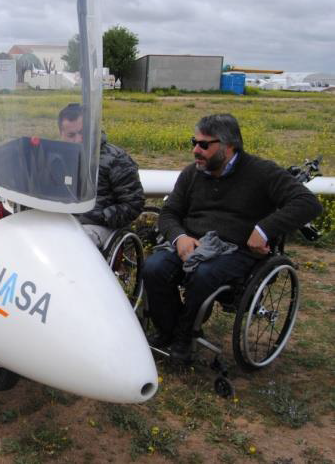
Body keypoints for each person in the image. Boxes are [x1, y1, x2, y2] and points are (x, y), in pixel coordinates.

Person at [142, 113, 322, 361]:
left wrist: (264, 229)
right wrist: (179, 237)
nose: (196, 149)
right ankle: (168, 330)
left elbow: (308, 203)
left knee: (204, 273)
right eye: (194, 142)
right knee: (153, 267)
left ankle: (184, 338)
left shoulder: (262, 172)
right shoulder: (191, 174)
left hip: (236, 248)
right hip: (191, 241)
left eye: (204, 145)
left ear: (228, 147)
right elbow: (170, 213)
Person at [58, 103, 145, 247]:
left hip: (102, 226)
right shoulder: (55, 157)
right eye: (71, 135)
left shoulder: (116, 159)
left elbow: (134, 204)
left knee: (72, 242)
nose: (78, 139)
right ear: (61, 134)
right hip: (64, 223)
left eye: (82, 133)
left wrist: (100, 216)